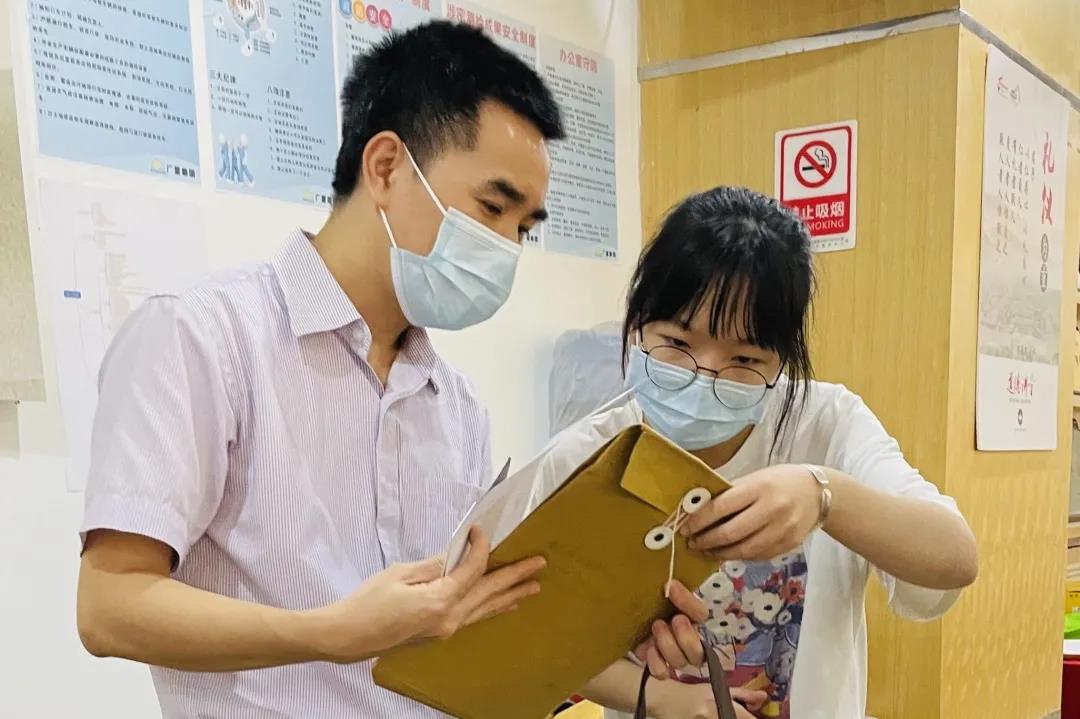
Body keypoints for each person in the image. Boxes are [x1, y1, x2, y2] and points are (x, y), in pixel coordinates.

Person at [76, 21, 701, 718]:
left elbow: (466, 623)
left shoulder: (454, 404)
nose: (506, 248)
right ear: (385, 168)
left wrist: (624, 644)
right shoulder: (201, 337)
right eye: (492, 208)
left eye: (523, 229)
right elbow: (109, 605)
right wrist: (327, 634)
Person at [532, 187, 979, 718]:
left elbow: (955, 557)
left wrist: (824, 496)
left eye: (744, 359)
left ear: (782, 362)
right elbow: (538, 631)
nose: (705, 374)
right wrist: (667, 697)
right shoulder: (585, 458)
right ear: (637, 326)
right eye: (678, 343)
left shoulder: (826, 425)